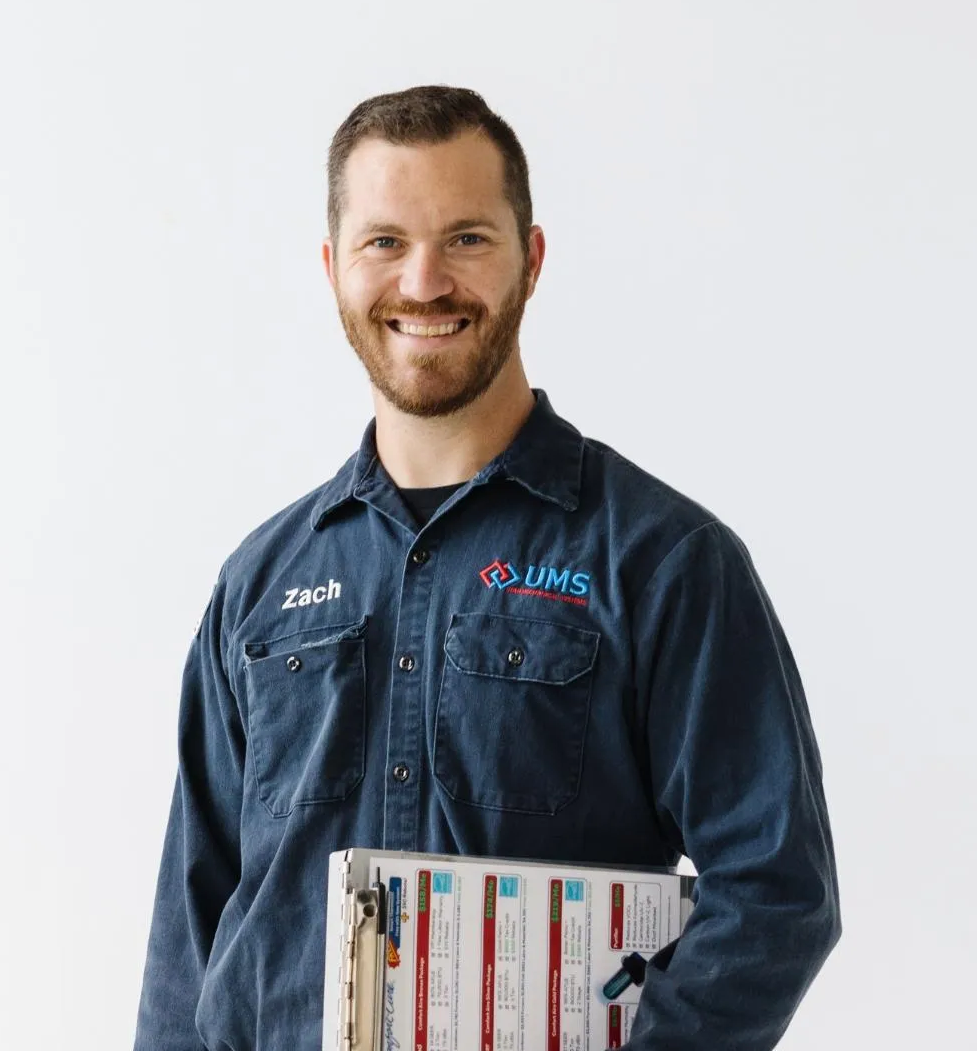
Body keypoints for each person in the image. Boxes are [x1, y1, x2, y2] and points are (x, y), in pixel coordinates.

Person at [133, 85, 841, 1051]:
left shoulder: (664, 561)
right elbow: (192, 919)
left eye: (466, 238)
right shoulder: (260, 581)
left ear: (531, 260)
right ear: (335, 268)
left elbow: (777, 889)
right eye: (385, 242)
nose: (424, 283)